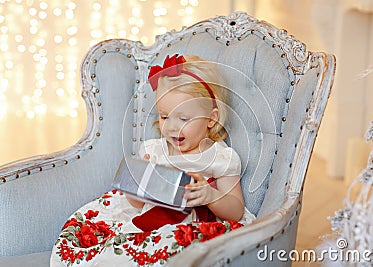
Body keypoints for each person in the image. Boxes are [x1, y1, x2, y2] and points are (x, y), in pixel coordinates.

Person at [50, 54, 255, 267]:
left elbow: (236, 211)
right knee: (105, 246)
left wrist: (211, 196)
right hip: (146, 222)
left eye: (184, 119)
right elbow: (136, 204)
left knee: (172, 251)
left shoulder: (221, 158)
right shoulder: (154, 150)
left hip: (186, 229)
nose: (172, 127)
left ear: (211, 119)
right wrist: (140, 182)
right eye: (164, 117)